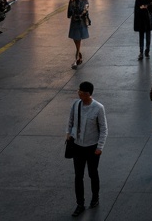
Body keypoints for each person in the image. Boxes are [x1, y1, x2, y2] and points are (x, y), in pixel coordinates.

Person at [65, 80, 106, 217]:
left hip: (92, 147)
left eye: (81, 92)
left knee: (93, 173)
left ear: (88, 94)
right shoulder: (76, 104)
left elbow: (104, 129)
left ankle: (95, 197)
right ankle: (80, 203)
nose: (78, 93)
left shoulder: (98, 108)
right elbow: (70, 121)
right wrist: (68, 134)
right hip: (78, 146)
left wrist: (99, 147)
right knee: (78, 176)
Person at [67, 0, 90, 69]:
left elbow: (85, 12)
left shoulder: (85, 2)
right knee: (76, 41)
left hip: (80, 24)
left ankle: (76, 59)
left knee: (78, 41)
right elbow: (69, 14)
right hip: (74, 24)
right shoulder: (72, 2)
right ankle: (79, 55)